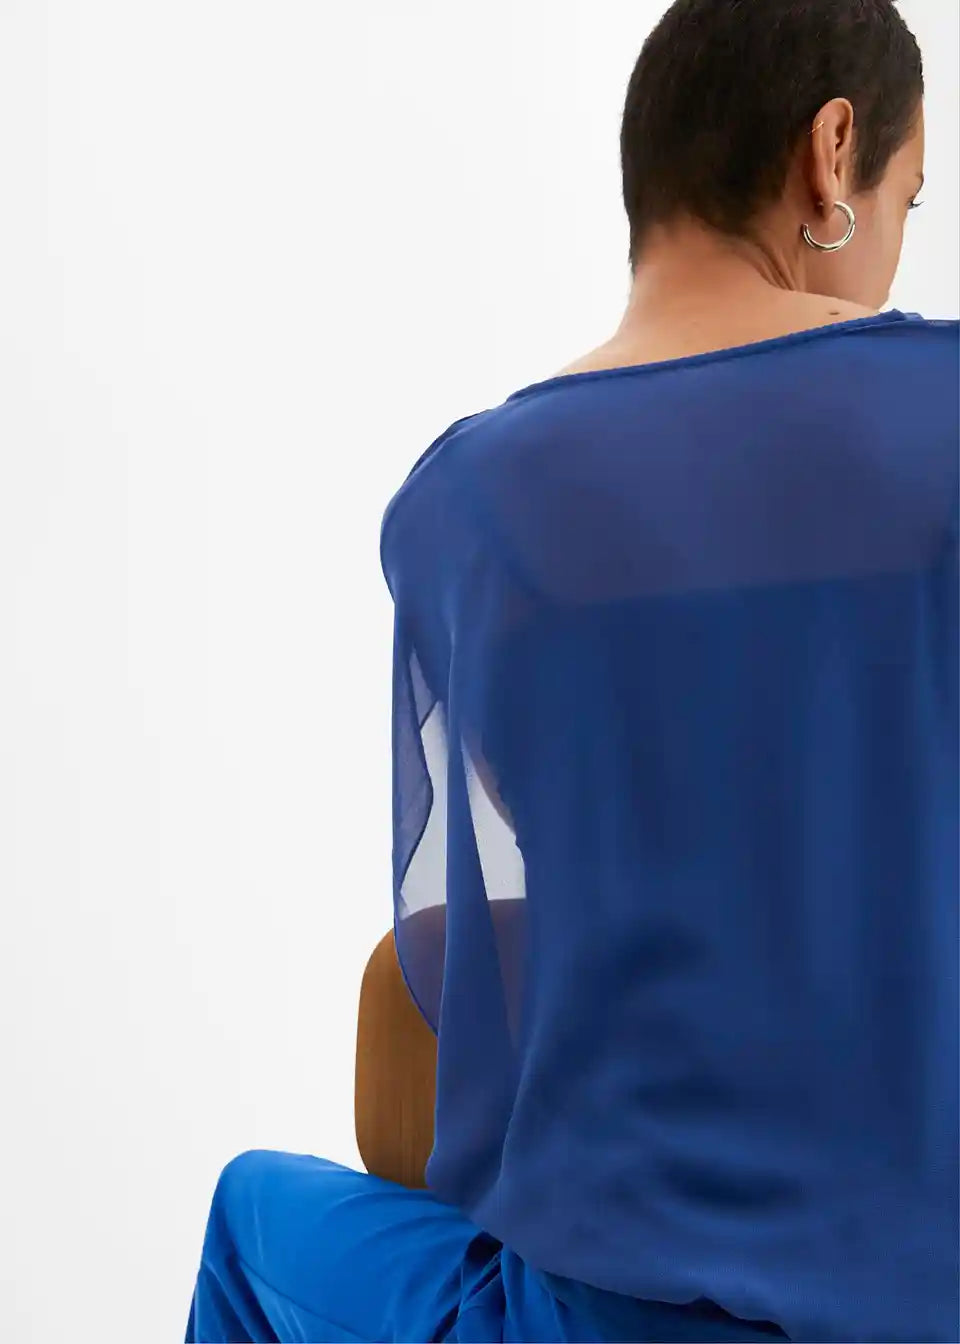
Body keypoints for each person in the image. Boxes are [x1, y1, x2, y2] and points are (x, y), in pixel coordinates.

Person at [185, 1, 959, 1340]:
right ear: (833, 152)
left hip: (608, 1316)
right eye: (910, 198)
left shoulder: (462, 509)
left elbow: (449, 1007)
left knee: (255, 1213)